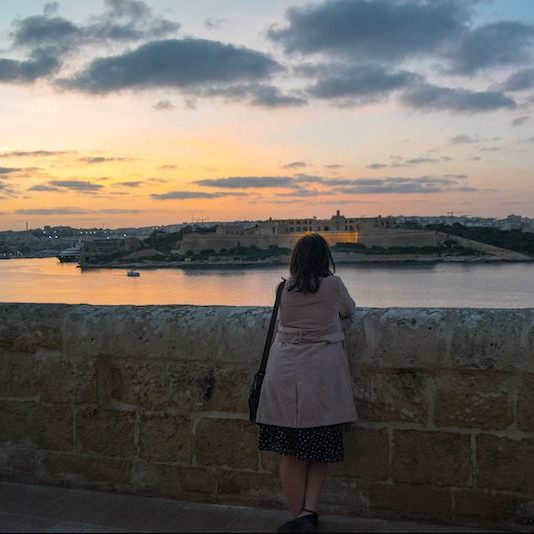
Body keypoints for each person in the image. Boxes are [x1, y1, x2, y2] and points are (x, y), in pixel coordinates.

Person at [255, 232, 357, 533]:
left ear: (296, 259)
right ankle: (309, 512)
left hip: (285, 373)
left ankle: (297, 515)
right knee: (318, 448)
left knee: (291, 453)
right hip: (322, 376)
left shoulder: (283, 289)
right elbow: (348, 310)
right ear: (325, 258)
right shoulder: (334, 285)